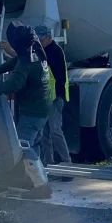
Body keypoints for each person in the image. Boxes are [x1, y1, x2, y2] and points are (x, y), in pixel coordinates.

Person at [0, 23, 53, 151]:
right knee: (34, 144)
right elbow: (15, 61)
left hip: (32, 113)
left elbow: (15, 83)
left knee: (23, 147)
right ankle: (40, 168)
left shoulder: (26, 62)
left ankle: (29, 170)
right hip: (44, 108)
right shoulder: (36, 52)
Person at [34, 25, 71, 166]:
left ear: (49, 38)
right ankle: (48, 164)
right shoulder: (42, 50)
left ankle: (67, 164)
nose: (39, 42)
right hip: (47, 98)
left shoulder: (55, 51)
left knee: (55, 131)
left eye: (41, 39)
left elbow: (56, 76)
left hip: (55, 98)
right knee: (45, 134)